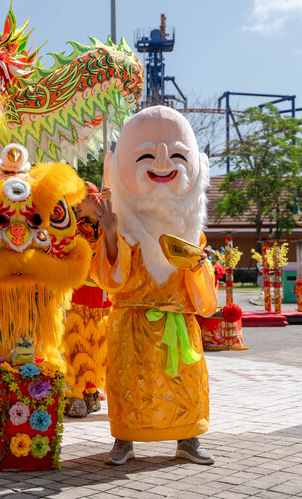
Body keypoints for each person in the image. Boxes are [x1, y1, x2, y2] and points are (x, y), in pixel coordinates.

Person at [91, 106, 218, 466]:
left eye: (178, 155)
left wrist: (198, 265)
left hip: (177, 322)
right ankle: (124, 440)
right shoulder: (124, 227)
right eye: (146, 154)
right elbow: (112, 279)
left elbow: (204, 297)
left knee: (184, 383)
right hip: (132, 324)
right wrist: (112, 237)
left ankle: (188, 438)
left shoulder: (192, 231)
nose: (163, 163)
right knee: (129, 385)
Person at [62, 181, 111, 417]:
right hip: (80, 291)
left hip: (104, 293)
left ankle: (93, 388)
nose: (77, 206)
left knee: (99, 344)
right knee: (78, 342)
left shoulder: (112, 223)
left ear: (94, 198)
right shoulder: (74, 228)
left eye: (80, 200)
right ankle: (79, 390)